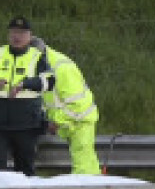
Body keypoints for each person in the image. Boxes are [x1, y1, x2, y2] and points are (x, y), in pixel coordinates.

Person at [14, 35, 100, 175]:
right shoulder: (40, 68)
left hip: (81, 119)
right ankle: (93, 188)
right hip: (65, 119)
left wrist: (56, 122)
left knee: (84, 164)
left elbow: (77, 105)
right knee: (86, 161)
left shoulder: (62, 68)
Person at [0, 17, 49, 174]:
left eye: (21, 33)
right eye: (14, 32)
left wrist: (25, 84)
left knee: (25, 170)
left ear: (30, 35)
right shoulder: (0, 53)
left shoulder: (37, 56)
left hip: (26, 125)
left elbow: (49, 81)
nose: (17, 36)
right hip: (1, 124)